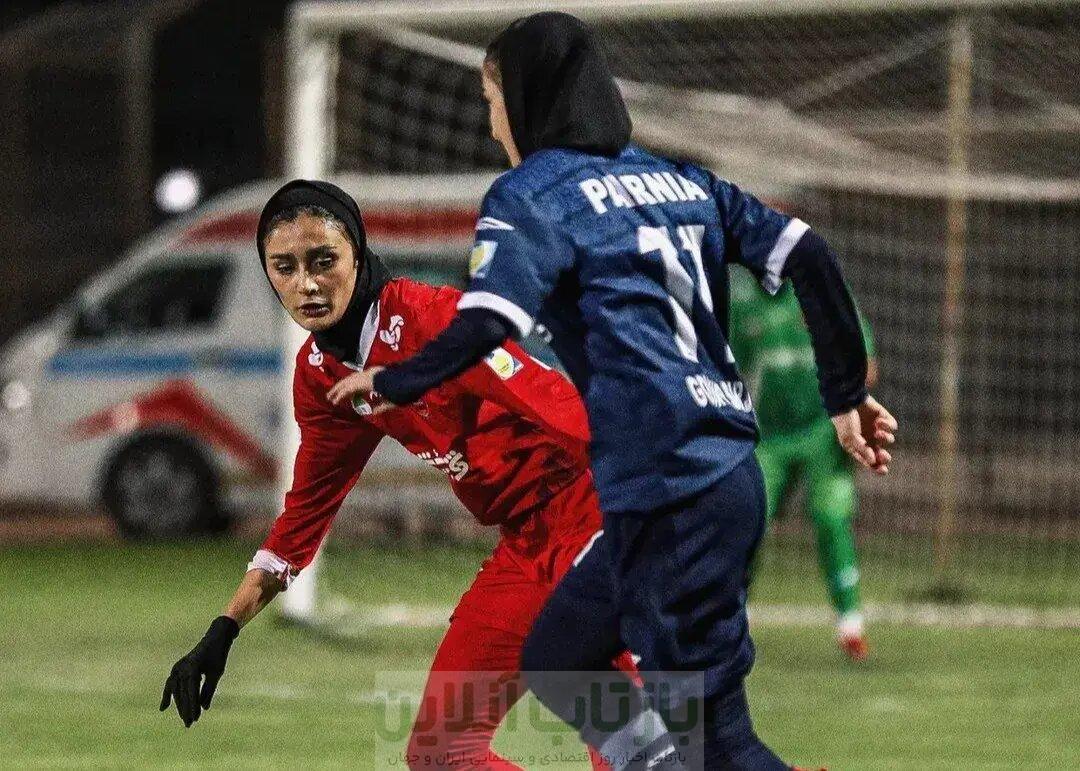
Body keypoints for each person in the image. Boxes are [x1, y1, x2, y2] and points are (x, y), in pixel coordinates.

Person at [328, 12, 897, 770]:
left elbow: (491, 319)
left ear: (527, 98)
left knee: (718, 743)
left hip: (672, 489)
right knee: (562, 655)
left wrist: (396, 378)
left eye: (494, 101)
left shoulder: (535, 193)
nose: (494, 124)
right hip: (713, 478)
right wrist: (845, 391)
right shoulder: (682, 181)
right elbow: (808, 255)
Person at [158, 180, 653, 771]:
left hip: (595, 518)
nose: (306, 283)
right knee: (442, 754)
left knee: (629, 748)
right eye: (284, 267)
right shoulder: (320, 374)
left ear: (358, 255)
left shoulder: (435, 320)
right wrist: (225, 627)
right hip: (525, 544)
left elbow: (559, 405)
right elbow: (304, 515)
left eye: (323, 260)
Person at [729, 267, 879, 661]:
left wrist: (852, 408)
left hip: (822, 431)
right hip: (768, 436)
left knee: (831, 517)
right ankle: (728, 620)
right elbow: (723, 369)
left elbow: (865, 361)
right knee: (748, 522)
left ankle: (851, 624)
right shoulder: (740, 302)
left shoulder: (820, 289)